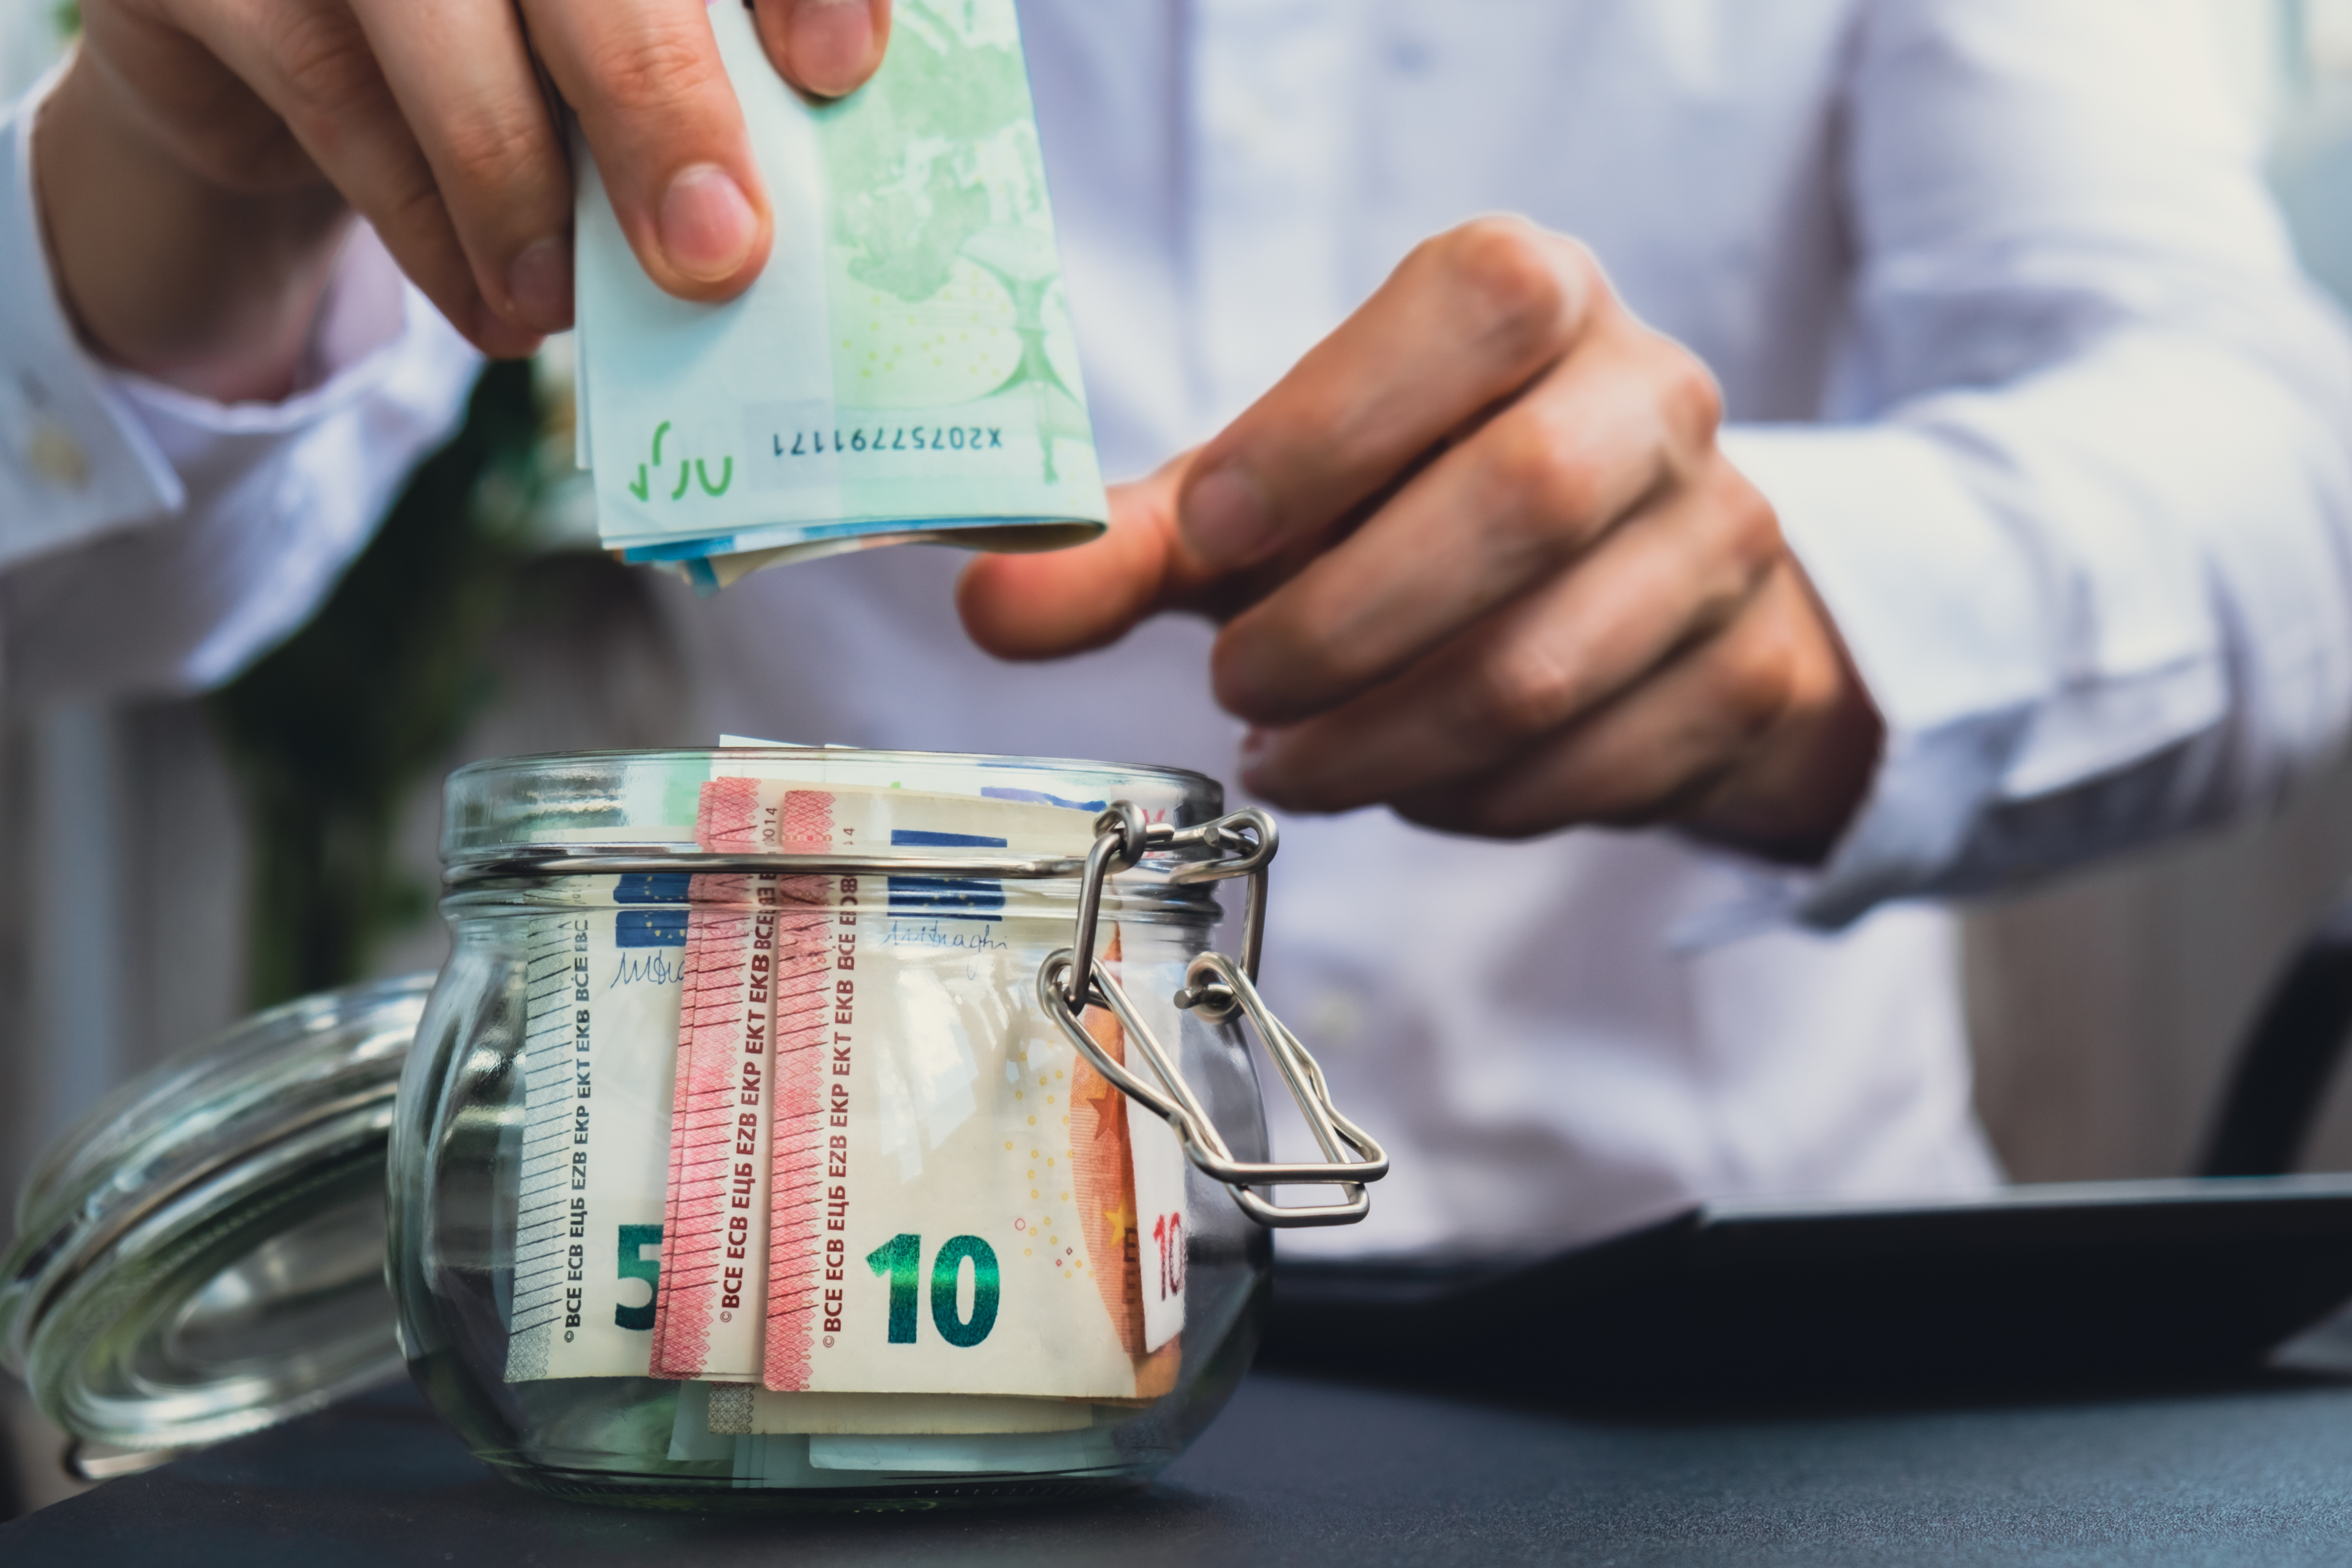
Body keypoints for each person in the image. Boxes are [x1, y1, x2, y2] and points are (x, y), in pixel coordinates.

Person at [10, 0, 2352, 1261]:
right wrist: (189, 181)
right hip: (885, 1360)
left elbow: (2266, 466)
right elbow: (109, 595)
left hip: (1742, 1350)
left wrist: (1792, 612)